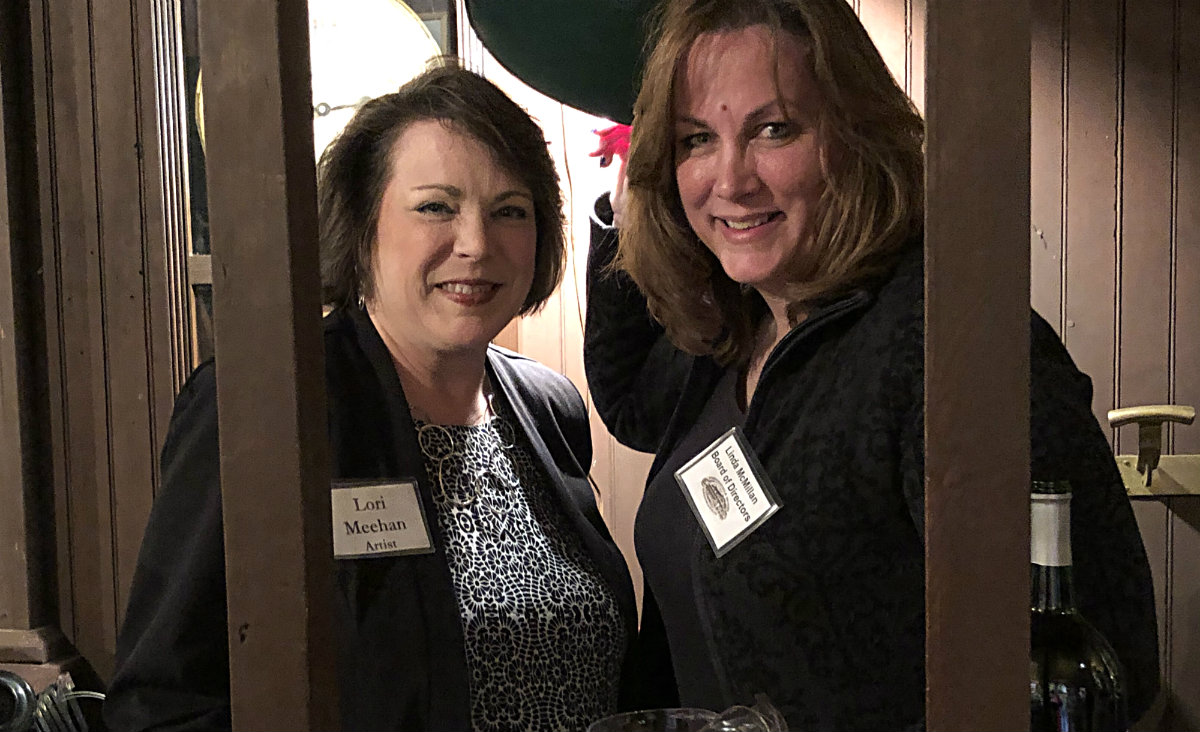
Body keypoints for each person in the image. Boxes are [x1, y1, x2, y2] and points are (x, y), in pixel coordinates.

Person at [583, 1, 1160, 730]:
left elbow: (1097, 663)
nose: (729, 179)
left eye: (774, 129)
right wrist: (624, 206)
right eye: (697, 139)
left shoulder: (940, 347)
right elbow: (628, 396)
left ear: (854, 133)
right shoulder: (736, 331)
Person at [104, 61, 640, 732]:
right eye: (435, 207)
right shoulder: (270, 409)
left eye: (509, 211)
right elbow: (159, 705)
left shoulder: (548, 406)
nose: (475, 244)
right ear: (363, 228)